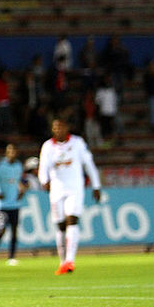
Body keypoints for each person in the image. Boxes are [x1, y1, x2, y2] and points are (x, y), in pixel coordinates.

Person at [38, 117, 102, 276]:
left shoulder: (77, 143)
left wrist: (96, 185)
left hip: (75, 188)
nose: (58, 129)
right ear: (53, 129)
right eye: (55, 127)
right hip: (57, 189)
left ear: (67, 128)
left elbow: (89, 164)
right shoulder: (47, 146)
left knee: (72, 220)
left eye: (61, 126)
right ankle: (62, 261)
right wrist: (44, 181)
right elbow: (42, 167)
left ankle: (70, 261)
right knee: (60, 226)